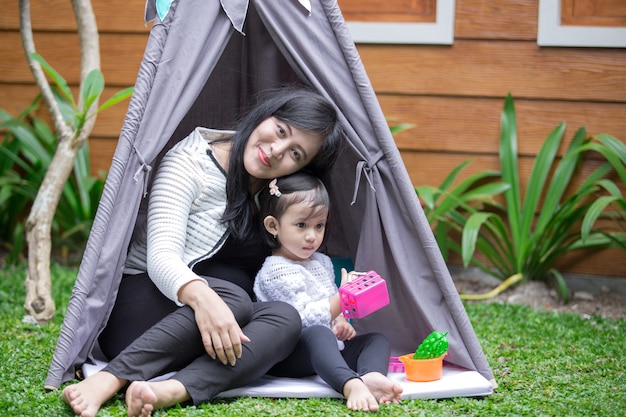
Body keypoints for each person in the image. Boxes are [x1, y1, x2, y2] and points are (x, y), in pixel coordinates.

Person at [62, 87, 345, 417]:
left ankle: (172, 390)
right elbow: (161, 256)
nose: (277, 149)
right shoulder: (190, 162)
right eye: (281, 131)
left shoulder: (279, 194)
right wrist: (204, 298)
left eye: (296, 153)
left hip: (216, 327)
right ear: (266, 114)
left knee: (284, 317)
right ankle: (110, 378)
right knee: (233, 297)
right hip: (142, 310)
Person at [253, 173, 403, 412]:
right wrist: (341, 300)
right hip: (289, 355)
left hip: (327, 349)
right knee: (318, 334)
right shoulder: (275, 271)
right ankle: (349, 384)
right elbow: (302, 320)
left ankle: (371, 376)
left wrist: (341, 322)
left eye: (319, 225)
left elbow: (329, 306)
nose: (312, 235)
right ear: (274, 226)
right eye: (301, 225)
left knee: (375, 339)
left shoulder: (320, 262)